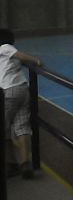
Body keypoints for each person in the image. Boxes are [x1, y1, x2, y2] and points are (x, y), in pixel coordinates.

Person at [1, 28, 43, 179]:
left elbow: (19, 55)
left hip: (9, 91)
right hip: (23, 89)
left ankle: (11, 163)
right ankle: (25, 163)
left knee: (3, 127)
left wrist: (35, 60)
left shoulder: (4, 47)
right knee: (22, 125)